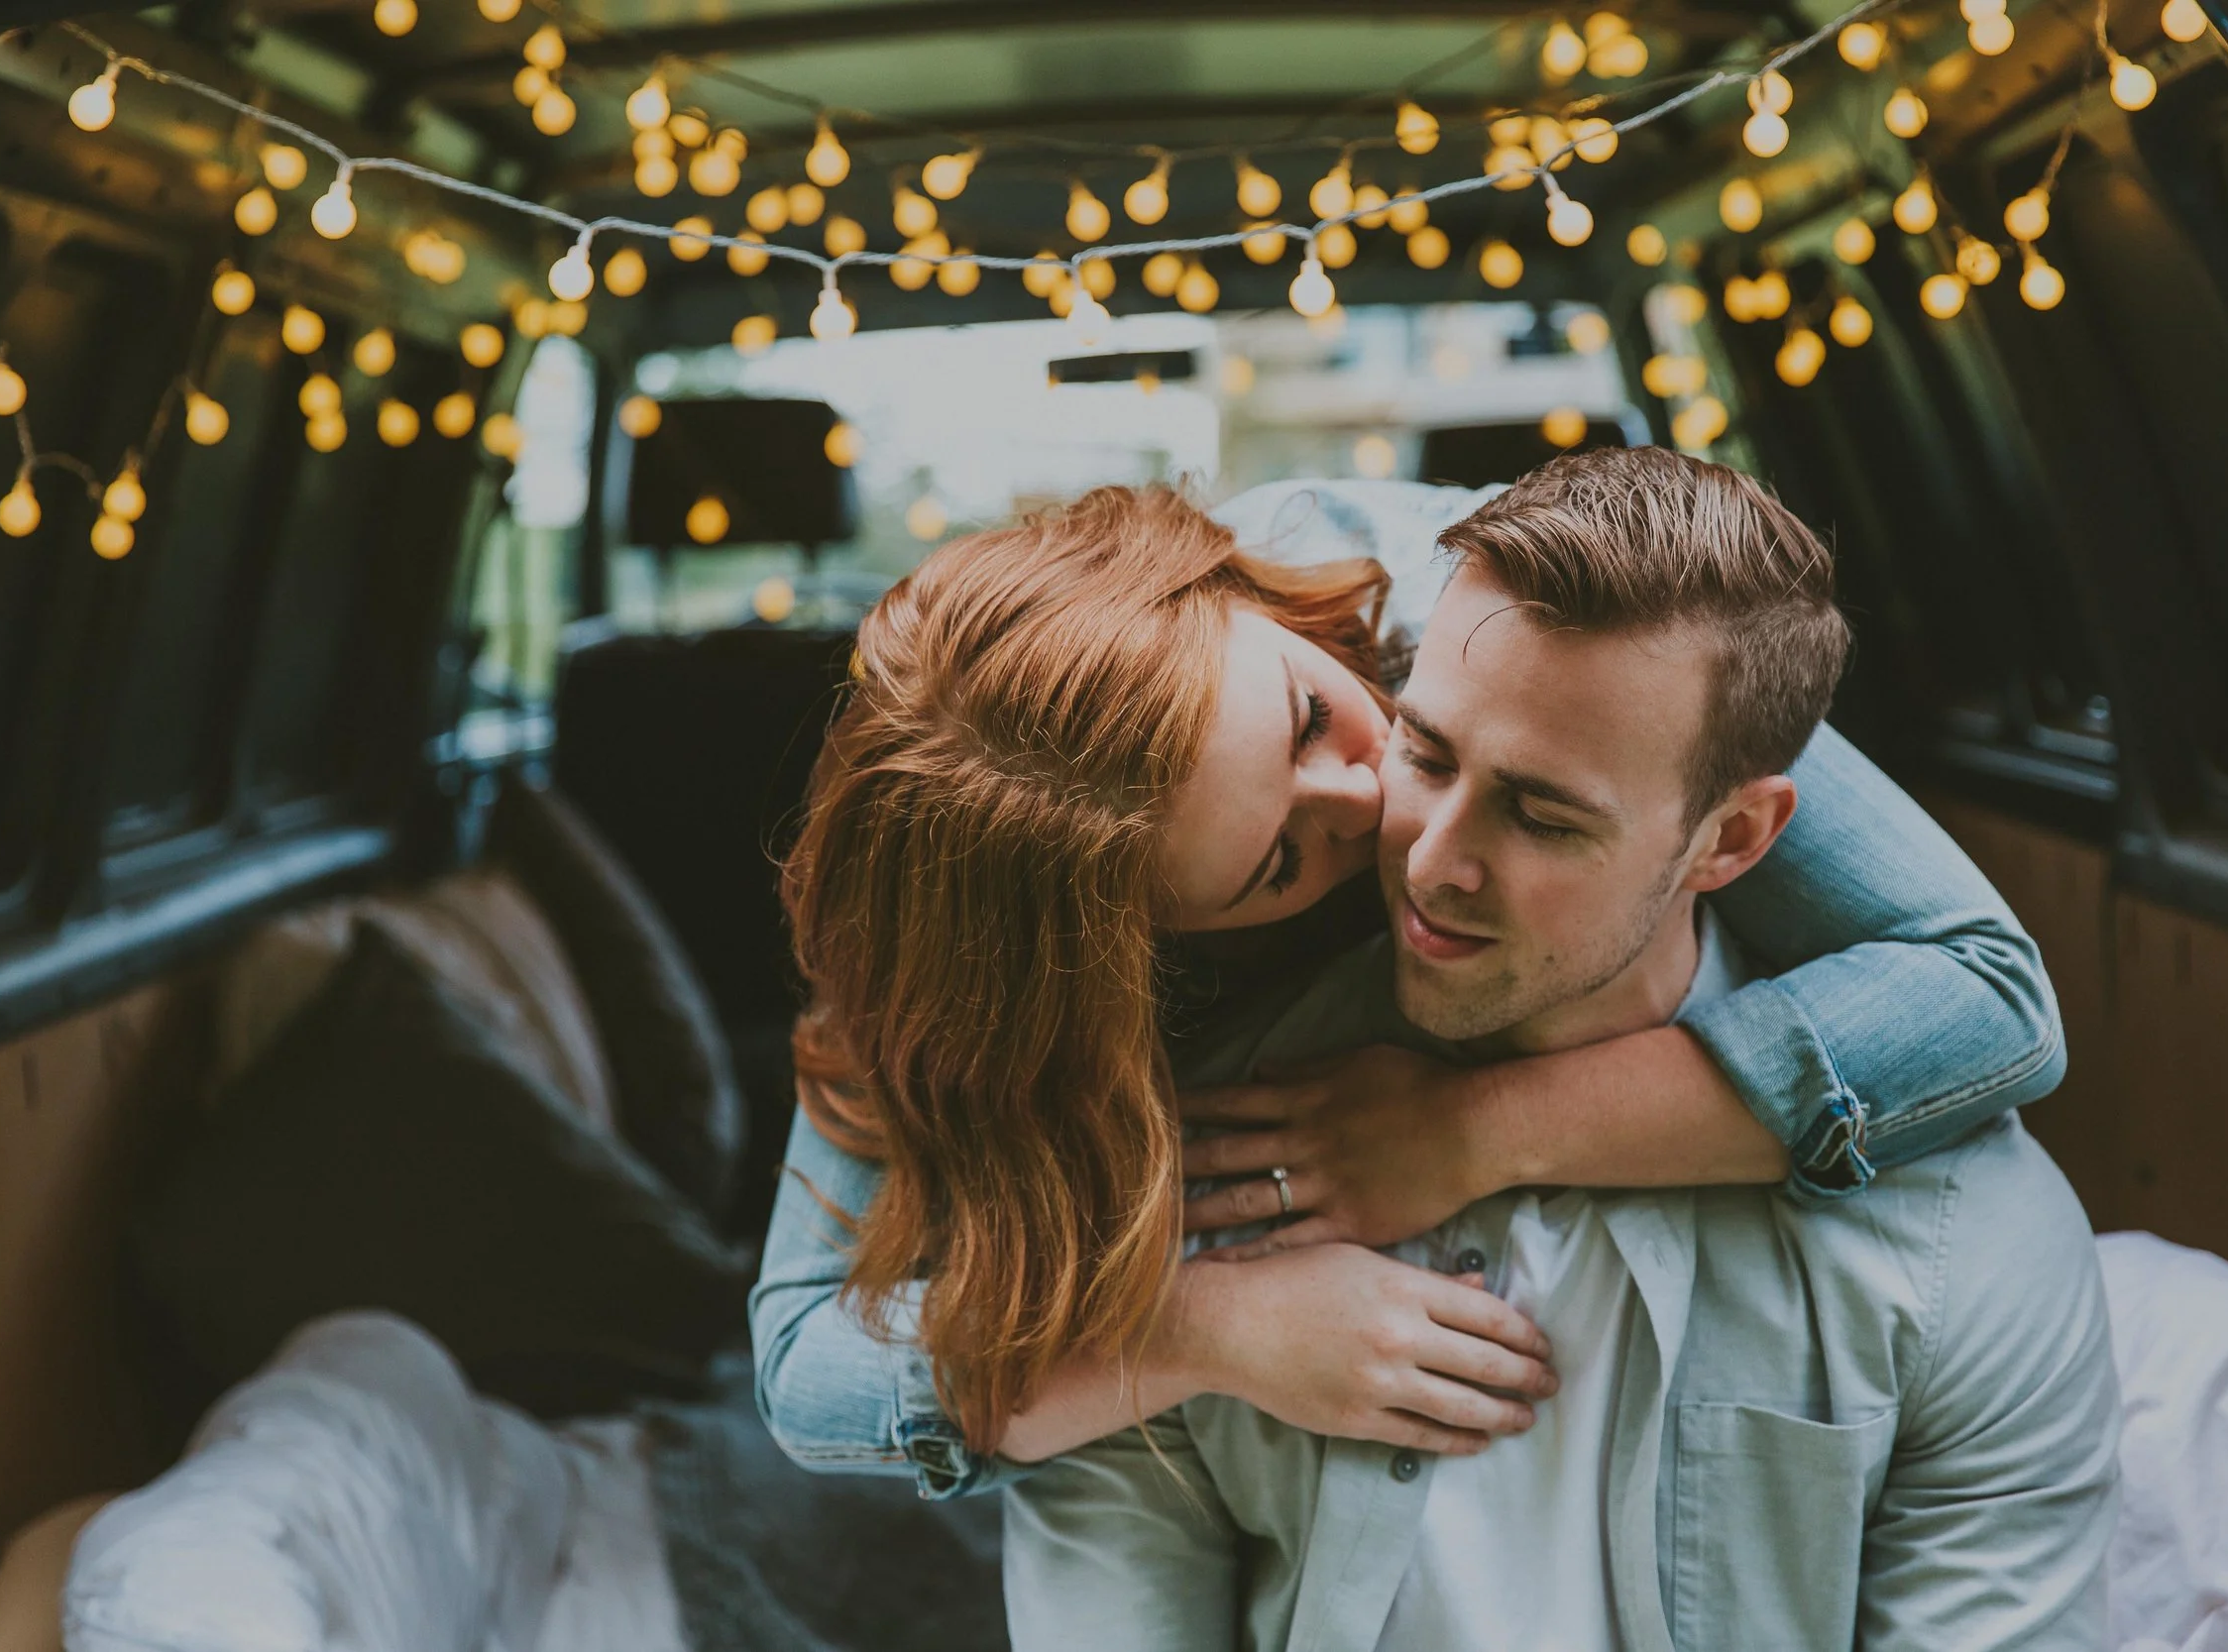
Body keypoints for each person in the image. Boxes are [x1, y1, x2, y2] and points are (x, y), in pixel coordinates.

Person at [751, 469, 2066, 1498]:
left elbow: (1986, 995)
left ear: (1228, 592)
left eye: (1313, 716)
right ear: (1141, 947)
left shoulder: (1493, 602)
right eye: (1278, 859)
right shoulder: (962, 940)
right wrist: (1202, 1326)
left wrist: (1466, 1136)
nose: (1379, 796)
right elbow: (806, 1368)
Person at [1001, 449, 2120, 1650]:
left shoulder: (1965, 1238)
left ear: (1731, 837)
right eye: (1423, 755)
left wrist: (1471, 1133)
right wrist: (1191, 1328)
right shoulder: (1184, 1171)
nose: (1431, 859)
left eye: (1542, 814)